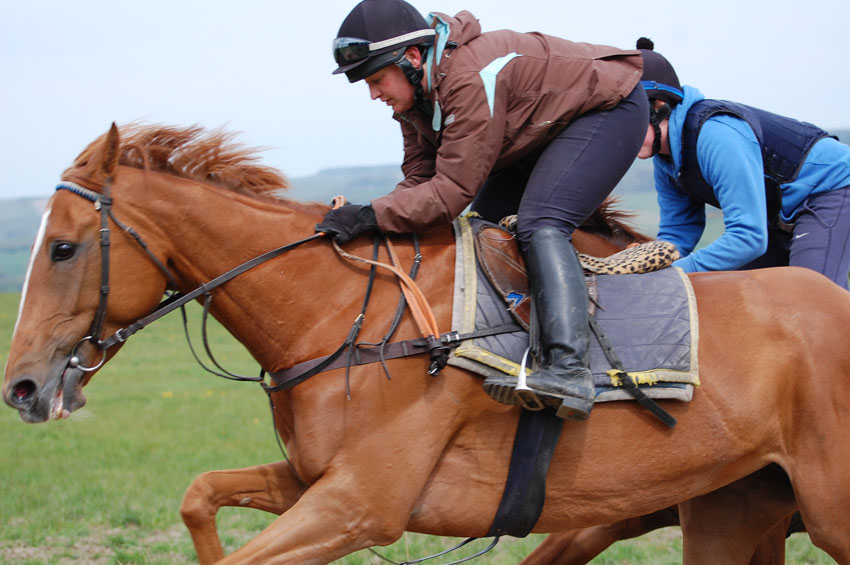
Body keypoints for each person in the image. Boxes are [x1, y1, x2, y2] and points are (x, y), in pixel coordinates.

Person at [316, 0, 648, 420]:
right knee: (483, 230)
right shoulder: (415, 97)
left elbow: (451, 192)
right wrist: (374, 217)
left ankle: (569, 370)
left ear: (412, 58)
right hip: (534, 133)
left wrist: (369, 215)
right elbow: (420, 180)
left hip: (609, 109)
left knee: (540, 225)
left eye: (377, 79)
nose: (373, 94)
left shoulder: (467, 78)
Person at [636, 37, 850, 289]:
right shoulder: (666, 158)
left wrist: (673, 274)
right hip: (776, 216)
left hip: (829, 191)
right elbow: (678, 233)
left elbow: (748, 238)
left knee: (809, 297)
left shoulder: (716, 136)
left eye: (626, 121)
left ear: (658, 107)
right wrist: (650, 266)